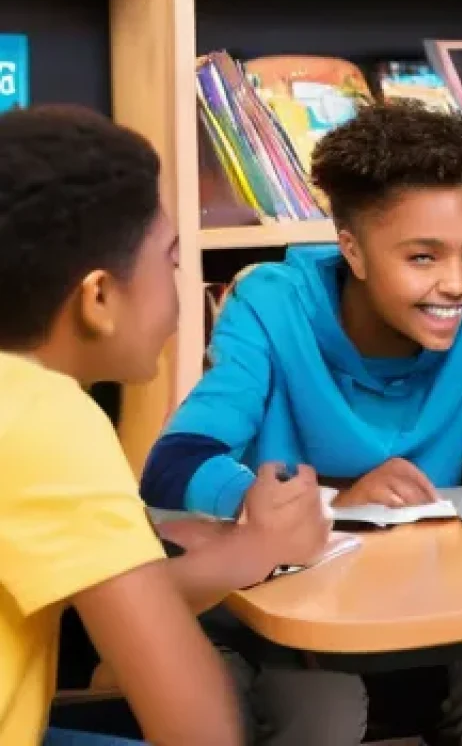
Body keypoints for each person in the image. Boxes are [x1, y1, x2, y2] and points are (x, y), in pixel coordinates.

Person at [141, 99, 462, 746]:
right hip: (289, 600)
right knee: (318, 703)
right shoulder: (271, 301)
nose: (458, 283)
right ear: (351, 249)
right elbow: (175, 463)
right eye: (423, 258)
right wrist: (325, 504)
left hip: (440, 598)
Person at [0, 105, 330, 746]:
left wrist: (234, 551)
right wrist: (256, 549)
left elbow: (81, 605)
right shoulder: (43, 416)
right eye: (171, 259)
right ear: (99, 297)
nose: (177, 291)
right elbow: (199, 731)